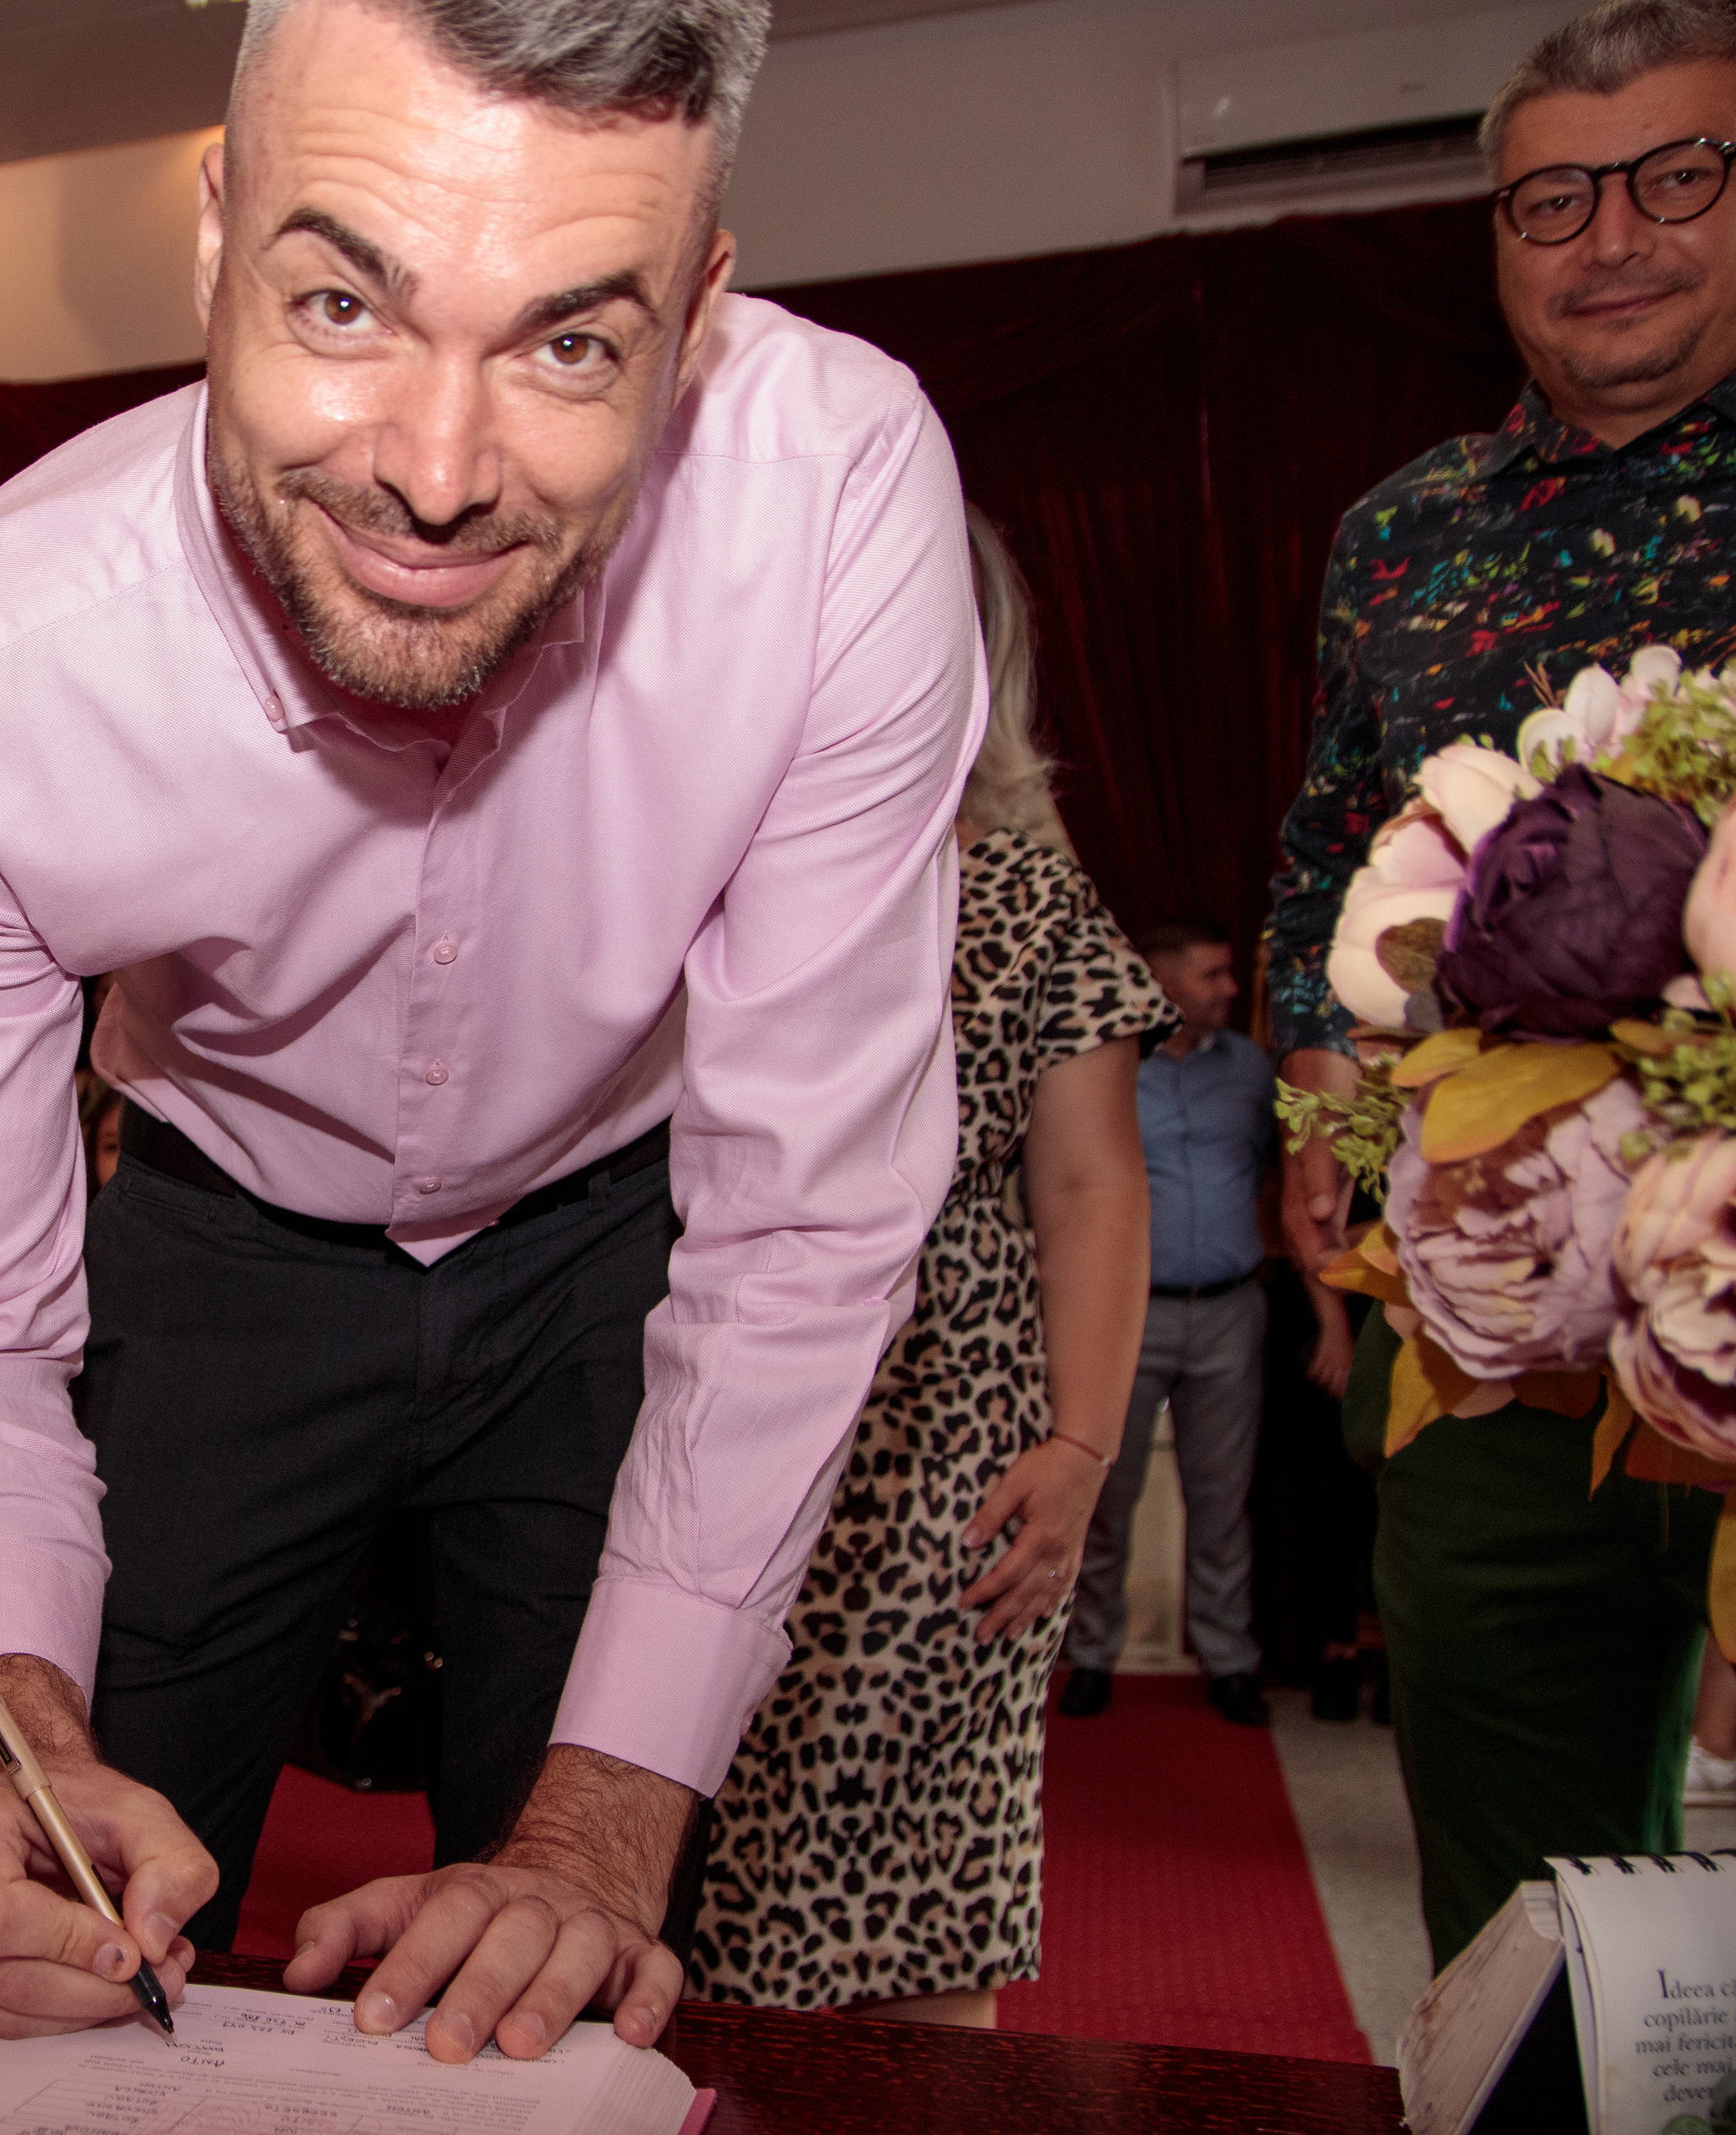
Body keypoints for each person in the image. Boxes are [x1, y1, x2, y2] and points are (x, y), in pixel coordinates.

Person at [0, 0, 978, 2060]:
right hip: (217, 1243)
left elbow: (806, 1213)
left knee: (571, 1982)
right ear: (216, 234)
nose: (435, 481)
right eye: (343, 303)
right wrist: (17, 1742)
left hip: (614, 1246)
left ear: (699, 314)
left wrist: (603, 1830)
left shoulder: (833, 492)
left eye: (574, 344)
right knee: (73, 1925)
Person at [1267, 0, 1736, 1987]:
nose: (1609, 236)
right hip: (1488, 1318)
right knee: (1527, 1918)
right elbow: (1323, 858)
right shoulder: (1402, 535)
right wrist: (1315, 1102)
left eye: (1674, 177)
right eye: (1553, 198)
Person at [688, 515, 1165, 2024]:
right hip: (695, 1422)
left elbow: (1091, 1185)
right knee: (650, 1879)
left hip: (944, 1458)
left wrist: (1082, 1447)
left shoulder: (1024, 888)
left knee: (926, 1907)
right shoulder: (677, 871)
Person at [1057, 916, 1275, 1728]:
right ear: (1165, 981)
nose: (1230, 989)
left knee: (1222, 1500)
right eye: (1213, 974)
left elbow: (1271, 1167)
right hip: (1130, 1317)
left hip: (1229, 1313)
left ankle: (1229, 1659)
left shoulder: (1251, 1069)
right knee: (1107, 1495)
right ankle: (1090, 1655)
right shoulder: (1110, 1068)